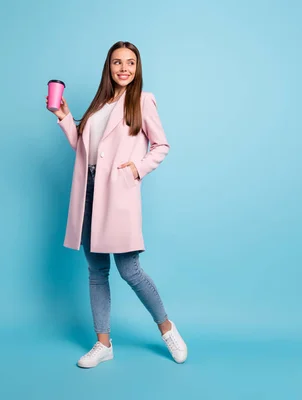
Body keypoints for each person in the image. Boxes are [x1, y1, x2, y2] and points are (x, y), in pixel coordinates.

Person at [45, 41, 187, 368]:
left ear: (137, 69)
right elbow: (83, 147)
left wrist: (136, 169)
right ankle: (103, 344)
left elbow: (161, 145)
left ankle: (167, 329)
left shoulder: (142, 100)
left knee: (130, 270)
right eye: (117, 63)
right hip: (88, 190)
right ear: (108, 68)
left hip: (117, 191)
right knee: (97, 271)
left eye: (130, 63)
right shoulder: (99, 104)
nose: (123, 68)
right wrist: (65, 117)